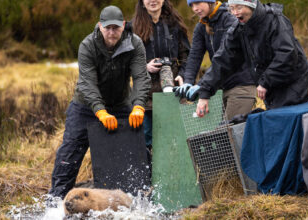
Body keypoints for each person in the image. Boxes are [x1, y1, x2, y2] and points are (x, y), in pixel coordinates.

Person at [48, 5, 151, 199]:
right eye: (107, 28)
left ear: (123, 25)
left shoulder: (135, 44)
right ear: (99, 26)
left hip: (121, 104)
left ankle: (135, 202)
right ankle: (55, 203)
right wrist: (100, 112)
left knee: (133, 151)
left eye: (116, 28)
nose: (111, 33)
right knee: (69, 154)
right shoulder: (87, 45)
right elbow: (88, 83)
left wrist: (138, 106)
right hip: (85, 106)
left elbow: (141, 77)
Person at [192, 0, 308, 117]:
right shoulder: (239, 28)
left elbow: (287, 54)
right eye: (231, 8)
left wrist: (265, 81)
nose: (234, 13)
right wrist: (205, 90)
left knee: (290, 123)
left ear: (251, 5)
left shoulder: (274, 20)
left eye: (239, 8)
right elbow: (224, 59)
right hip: (269, 88)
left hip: (293, 84)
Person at [174, 0, 256, 121]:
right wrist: (188, 81)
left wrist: (202, 85)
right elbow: (194, 56)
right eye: (192, 6)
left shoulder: (230, 20)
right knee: (223, 134)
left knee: (232, 133)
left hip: (241, 85)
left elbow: (225, 57)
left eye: (198, 3)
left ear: (210, 2)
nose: (195, 9)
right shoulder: (201, 26)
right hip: (220, 87)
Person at [131, 0, 190, 150]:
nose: (153, 1)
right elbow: (125, 60)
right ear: (142, 2)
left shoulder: (175, 24)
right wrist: (144, 66)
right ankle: (150, 172)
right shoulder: (133, 27)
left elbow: (186, 55)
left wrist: (183, 74)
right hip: (145, 95)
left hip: (173, 91)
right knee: (147, 139)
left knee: (175, 136)